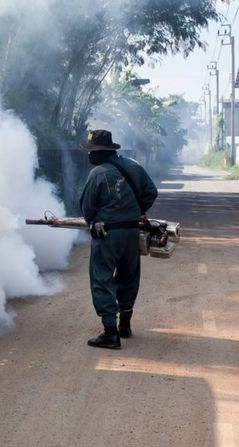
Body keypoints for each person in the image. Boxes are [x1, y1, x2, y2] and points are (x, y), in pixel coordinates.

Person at [79, 130, 158, 349]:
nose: (90, 156)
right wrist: (135, 211)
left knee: (102, 278)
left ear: (102, 152)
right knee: (129, 276)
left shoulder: (97, 173)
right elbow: (151, 192)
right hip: (132, 233)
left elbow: (87, 207)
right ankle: (125, 324)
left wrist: (94, 221)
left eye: (92, 151)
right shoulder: (133, 166)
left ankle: (110, 332)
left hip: (107, 234)